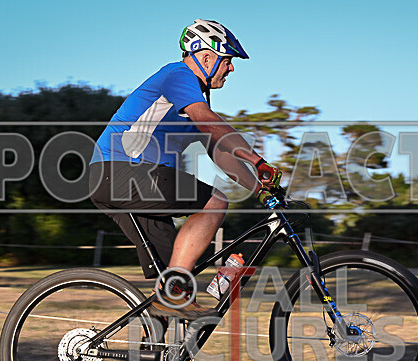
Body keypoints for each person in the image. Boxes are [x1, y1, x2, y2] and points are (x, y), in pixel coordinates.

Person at [89, 19, 281, 321]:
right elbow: (209, 122)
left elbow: (217, 149)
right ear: (206, 57)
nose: (231, 69)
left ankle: (151, 348)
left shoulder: (190, 99)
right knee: (214, 202)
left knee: (172, 283)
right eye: (227, 60)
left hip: (117, 179)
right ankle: (172, 298)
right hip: (123, 169)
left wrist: (259, 188)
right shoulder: (178, 75)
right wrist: (257, 161)